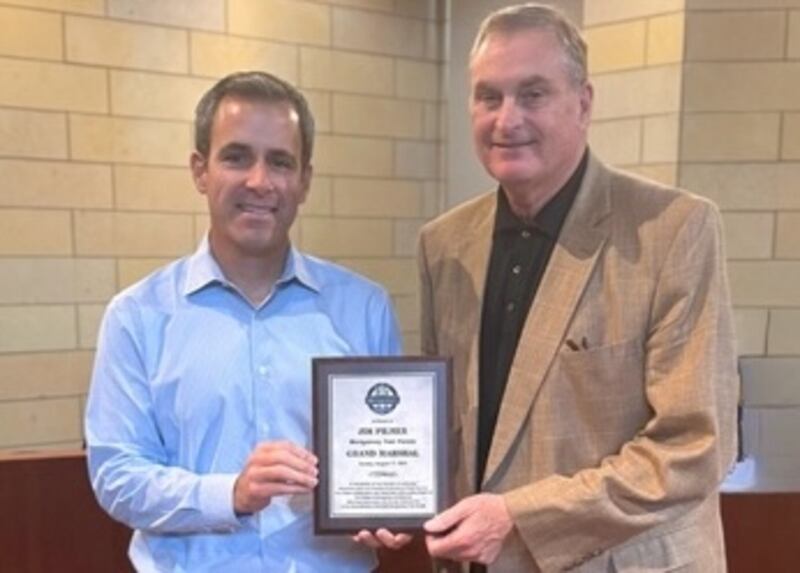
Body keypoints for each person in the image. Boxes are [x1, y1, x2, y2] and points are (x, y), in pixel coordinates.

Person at [416, 4, 738, 572]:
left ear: (583, 103)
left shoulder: (672, 230)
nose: (506, 119)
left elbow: (692, 448)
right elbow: (446, 431)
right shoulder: (443, 246)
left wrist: (518, 515)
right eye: (488, 97)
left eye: (533, 94)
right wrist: (388, 499)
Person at [84, 71, 402, 572]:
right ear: (200, 171)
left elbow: (386, 456)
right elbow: (117, 476)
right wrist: (230, 492)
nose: (260, 181)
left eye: (280, 162)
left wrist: (388, 507)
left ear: (305, 181)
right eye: (236, 157)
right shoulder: (136, 317)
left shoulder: (364, 308)